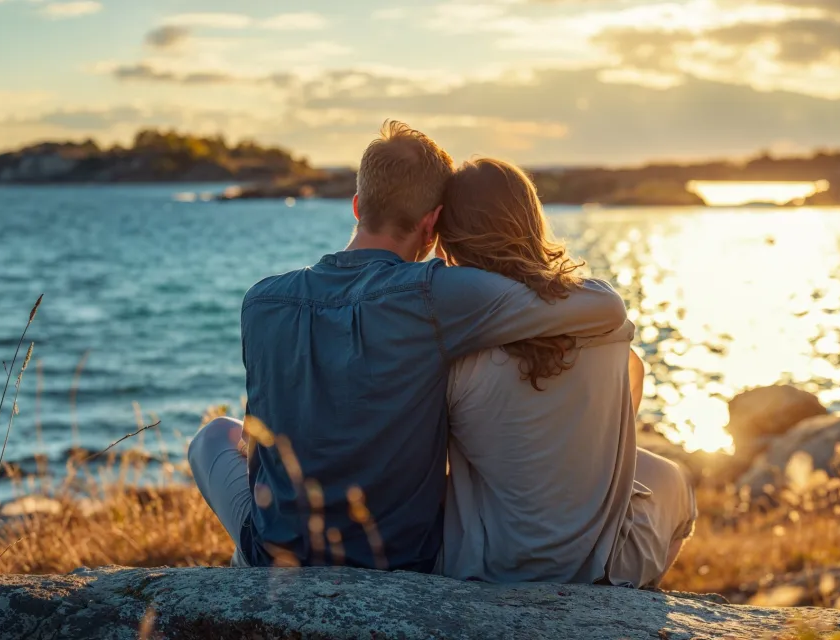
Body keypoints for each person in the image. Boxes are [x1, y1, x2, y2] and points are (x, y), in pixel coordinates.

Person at [186, 121, 630, 571]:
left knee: (210, 437)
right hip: (397, 559)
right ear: (433, 224)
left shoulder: (261, 301)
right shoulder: (435, 294)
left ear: (357, 206)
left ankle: (247, 567)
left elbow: (253, 442)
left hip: (276, 554)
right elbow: (604, 308)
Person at [433, 157, 695, 588]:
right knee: (673, 482)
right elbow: (629, 391)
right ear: (531, 221)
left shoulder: (457, 347)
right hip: (599, 569)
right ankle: (624, 608)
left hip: (487, 566)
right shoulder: (603, 320)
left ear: (450, 238)